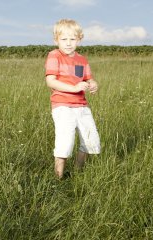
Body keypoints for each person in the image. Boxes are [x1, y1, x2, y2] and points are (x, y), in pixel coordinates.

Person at [45, 19, 101, 179]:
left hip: (81, 106)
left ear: (79, 39)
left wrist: (92, 84)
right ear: (56, 40)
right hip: (62, 106)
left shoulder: (82, 60)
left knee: (91, 141)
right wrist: (74, 88)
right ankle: (58, 177)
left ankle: (77, 173)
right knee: (65, 142)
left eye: (72, 39)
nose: (68, 43)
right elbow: (51, 81)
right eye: (64, 39)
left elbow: (88, 78)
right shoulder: (54, 55)